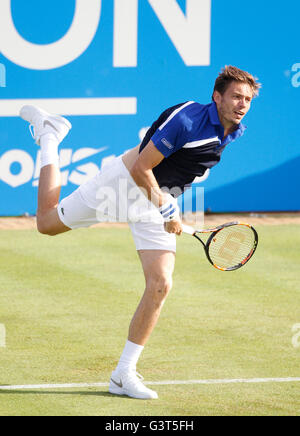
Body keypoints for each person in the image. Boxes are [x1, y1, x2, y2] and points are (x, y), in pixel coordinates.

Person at [20, 65, 260, 400]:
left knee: (161, 283)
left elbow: (180, 169)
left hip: (157, 200)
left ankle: (123, 374)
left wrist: (168, 204)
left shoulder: (233, 131)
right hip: (122, 185)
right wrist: (165, 208)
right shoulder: (186, 120)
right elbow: (140, 167)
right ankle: (49, 134)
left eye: (247, 98)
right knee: (46, 223)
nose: (242, 103)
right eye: (236, 96)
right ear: (217, 96)